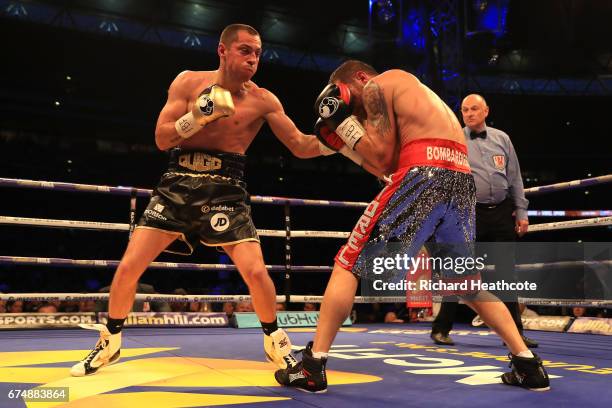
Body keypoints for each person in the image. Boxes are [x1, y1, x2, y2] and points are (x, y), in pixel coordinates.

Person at [70, 23, 352, 377]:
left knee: (255, 271)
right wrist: (197, 117)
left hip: (226, 190)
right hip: (177, 184)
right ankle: (109, 341)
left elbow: (301, 145)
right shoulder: (187, 82)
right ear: (223, 50)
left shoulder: (264, 100)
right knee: (129, 267)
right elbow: (161, 138)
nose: (253, 59)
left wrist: (342, 135)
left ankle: (276, 343)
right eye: (245, 50)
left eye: (258, 53)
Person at [275, 61, 549, 392]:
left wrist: (345, 125)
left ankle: (313, 364)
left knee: (349, 262)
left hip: (425, 176)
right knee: (464, 281)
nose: (360, 110)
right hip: (461, 183)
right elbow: (385, 160)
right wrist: (345, 137)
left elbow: (379, 157)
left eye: (355, 102)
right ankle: (527, 364)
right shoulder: (417, 93)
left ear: (360, 79)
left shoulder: (378, 85)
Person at [430, 94, 537, 348]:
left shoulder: (502, 139)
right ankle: (440, 329)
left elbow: (515, 178)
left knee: (505, 274)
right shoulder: (454, 139)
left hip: (501, 212)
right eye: (465, 109)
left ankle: (515, 335)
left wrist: (521, 211)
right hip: (467, 213)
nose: (469, 113)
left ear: (486, 111)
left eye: (474, 109)